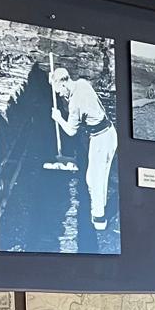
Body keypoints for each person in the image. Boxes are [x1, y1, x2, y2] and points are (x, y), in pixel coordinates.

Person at [49, 65, 118, 233]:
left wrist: (58, 118)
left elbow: (71, 131)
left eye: (59, 91)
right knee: (100, 176)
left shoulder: (75, 103)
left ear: (63, 84)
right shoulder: (81, 83)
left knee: (93, 180)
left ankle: (99, 220)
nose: (59, 95)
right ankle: (100, 210)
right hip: (109, 132)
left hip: (101, 139)